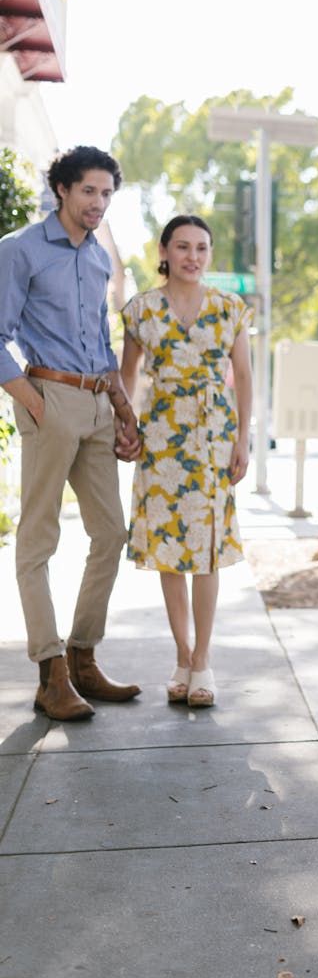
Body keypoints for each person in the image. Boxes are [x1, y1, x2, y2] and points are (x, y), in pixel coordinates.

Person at [0, 145, 142, 721]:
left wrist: (124, 409)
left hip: (98, 403)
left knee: (111, 532)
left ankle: (83, 658)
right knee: (38, 540)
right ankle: (49, 671)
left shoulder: (99, 259)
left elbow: (103, 345)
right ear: (62, 188)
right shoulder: (20, 250)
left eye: (107, 193)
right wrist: (34, 399)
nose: (98, 203)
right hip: (50, 396)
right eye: (89, 191)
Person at [120, 215, 253, 708]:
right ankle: (181, 656)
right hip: (161, 437)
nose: (192, 256)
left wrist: (242, 439)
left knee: (208, 549)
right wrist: (126, 426)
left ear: (209, 254)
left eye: (201, 248)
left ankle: (203, 662)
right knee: (170, 549)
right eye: (182, 247)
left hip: (215, 437)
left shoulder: (230, 308)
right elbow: (126, 377)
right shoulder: (141, 310)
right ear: (165, 251)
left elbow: (243, 375)